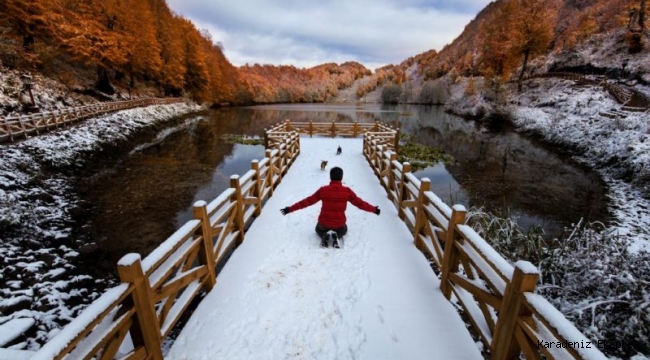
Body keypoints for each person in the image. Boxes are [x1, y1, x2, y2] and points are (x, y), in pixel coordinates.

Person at [280, 166, 380, 248]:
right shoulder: (347, 191)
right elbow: (360, 203)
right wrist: (374, 209)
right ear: (341, 177)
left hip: (324, 223)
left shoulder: (323, 190)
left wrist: (290, 209)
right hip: (339, 224)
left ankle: (324, 235)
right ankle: (337, 235)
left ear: (330, 177)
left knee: (317, 229)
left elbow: (308, 201)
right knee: (344, 229)